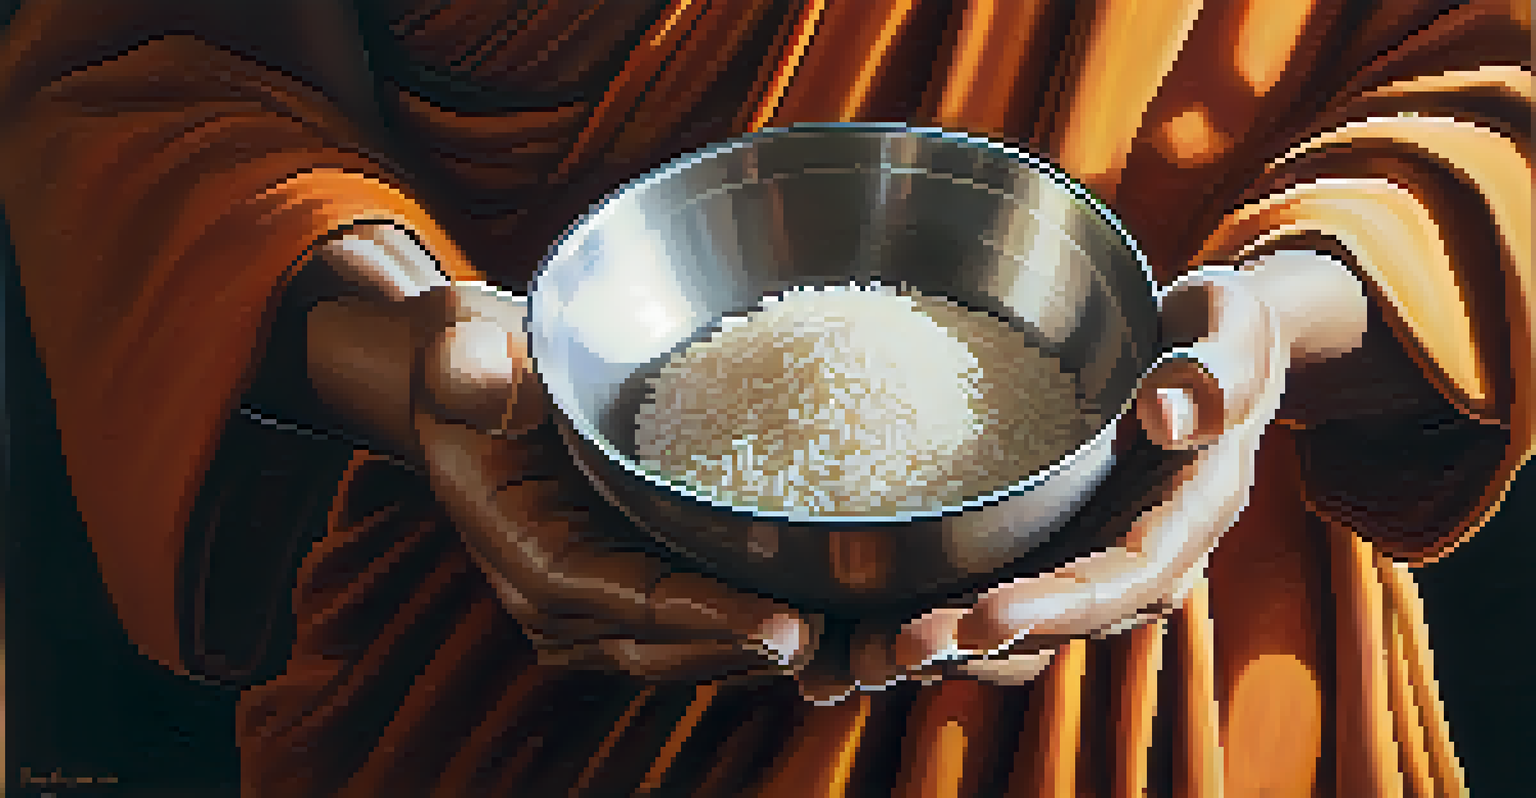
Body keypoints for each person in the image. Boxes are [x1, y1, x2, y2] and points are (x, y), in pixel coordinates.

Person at [0, 0, 1528, 795]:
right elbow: (156, 78)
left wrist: (1280, 317)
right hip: (514, 691)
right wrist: (411, 352)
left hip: (1205, 685)